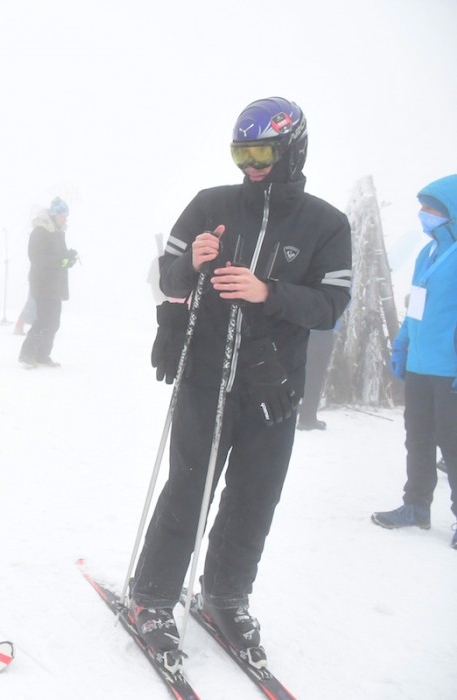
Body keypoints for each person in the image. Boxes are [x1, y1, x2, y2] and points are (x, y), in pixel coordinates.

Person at [129, 97, 352, 662]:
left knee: (256, 496)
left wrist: (267, 292)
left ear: (293, 150)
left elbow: (331, 306)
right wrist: (191, 262)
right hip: (204, 378)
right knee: (188, 488)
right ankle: (152, 596)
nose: (251, 166)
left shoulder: (326, 224)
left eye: (262, 154)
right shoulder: (211, 204)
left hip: (273, 386)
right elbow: (167, 282)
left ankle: (225, 595)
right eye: (241, 154)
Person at [371, 174, 457, 549]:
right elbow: (416, 308)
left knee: (453, 445)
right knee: (418, 440)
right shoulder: (427, 254)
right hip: (421, 366)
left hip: (450, 370)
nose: (424, 214)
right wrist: (402, 346)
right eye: (422, 207)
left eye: (432, 209)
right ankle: (416, 506)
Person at [18, 197, 77, 368]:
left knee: (54, 322)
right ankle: (27, 354)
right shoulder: (40, 231)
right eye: (62, 215)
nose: (65, 218)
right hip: (42, 283)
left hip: (55, 285)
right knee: (43, 320)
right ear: (54, 214)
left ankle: (42, 355)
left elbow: (60, 258)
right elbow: (37, 257)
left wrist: (69, 258)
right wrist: (61, 261)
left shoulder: (58, 232)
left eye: (66, 215)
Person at [296, 326, 337, 430]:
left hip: (302, 330)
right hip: (321, 331)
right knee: (315, 375)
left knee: (300, 371)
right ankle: (307, 418)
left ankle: (295, 411)